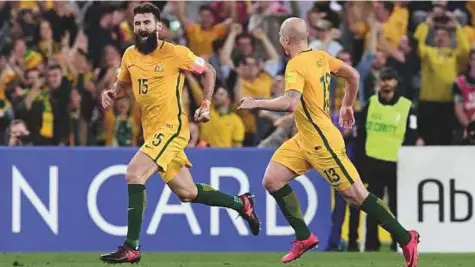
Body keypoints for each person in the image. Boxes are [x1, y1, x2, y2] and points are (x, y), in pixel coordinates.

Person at [238, 17, 419, 266]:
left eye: (280, 36)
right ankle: (304, 237)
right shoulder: (320, 56)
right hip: (304, 137)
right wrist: (346, 105)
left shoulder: (295, 65)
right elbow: (352, 75)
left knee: (356, 196)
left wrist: (256, 102)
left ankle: (405, 237)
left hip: (322, 141)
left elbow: (290, 103)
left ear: (285, 40)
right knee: (272, 180)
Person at [99, 3, 259, 264]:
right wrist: (112, 93)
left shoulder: (175, 53)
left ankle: (132, 246)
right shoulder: (129, 55)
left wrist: (205, 103)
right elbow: (124, 84)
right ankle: (241, 203)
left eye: (147, 23)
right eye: (137, 23)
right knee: (187, 193)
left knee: (134, 173)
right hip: (151, 134)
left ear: (158, 27)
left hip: (172, 129)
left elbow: (209, 70)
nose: (142, 28)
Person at [355, 67, 420, 252]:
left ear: (396, 83)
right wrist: (361, 162)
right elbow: (361, 133)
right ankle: (371, 245)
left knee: (395, 206)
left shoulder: (407, 107)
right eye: (384, 79)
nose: (386, 83)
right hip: (373, 162)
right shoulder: (371, 103)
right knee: (373, 208)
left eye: (390, 79)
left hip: (396, 163)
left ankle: (397, 244)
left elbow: (412, 136)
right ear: (379, 82)